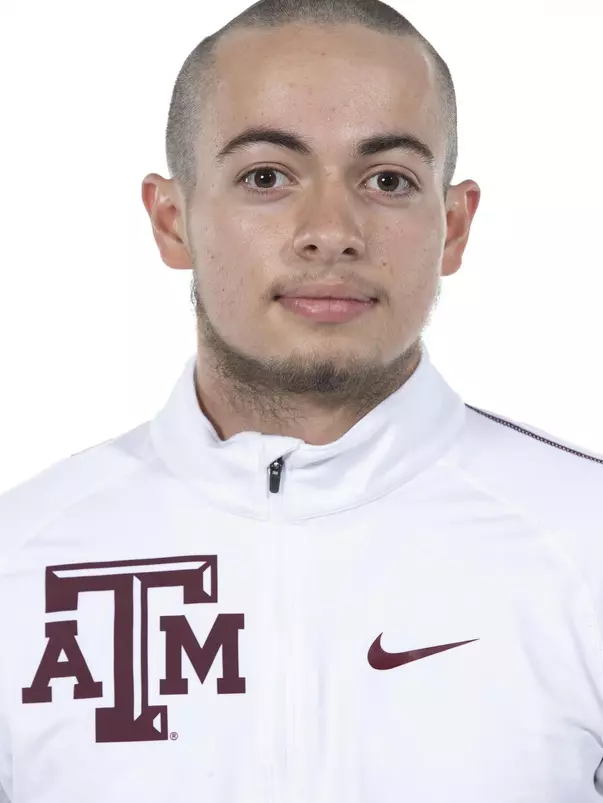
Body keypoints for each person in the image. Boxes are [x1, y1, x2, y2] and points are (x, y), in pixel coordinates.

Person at [1, 0, 602, 800]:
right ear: (171, 218)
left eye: (387, 179)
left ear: (452, 227)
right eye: (266, 177)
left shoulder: (584, 544)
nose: (330, 230)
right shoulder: (20, 564)